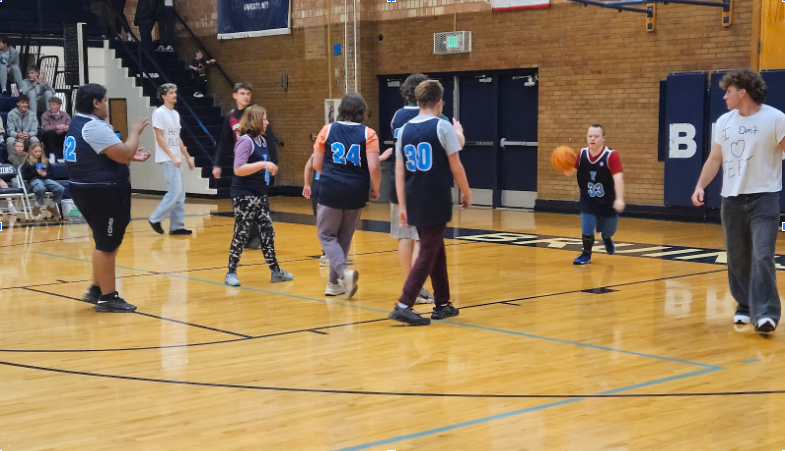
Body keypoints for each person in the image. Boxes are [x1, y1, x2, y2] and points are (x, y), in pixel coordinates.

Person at [691, 68, 785, 334]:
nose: (724, 97)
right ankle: (744, 304)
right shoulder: (724, 122)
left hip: (764, 199)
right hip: (731, 200)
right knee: (738, 257)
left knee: (763, 254)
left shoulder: (776, 119)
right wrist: (700, 186)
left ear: (742, 92)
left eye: (728, 91)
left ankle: (766, 313)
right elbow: (714, 158)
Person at [388, 79, 470, 326]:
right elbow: (455, 165)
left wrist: (402, 205)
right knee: (426, 251)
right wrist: (466, 192)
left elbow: (399, 171)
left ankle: (443, 303)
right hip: (435, 196)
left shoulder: (404, 129)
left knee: (435, 248)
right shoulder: (442, 127)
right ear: (439, 103)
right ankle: (404, 304)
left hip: (413, 196)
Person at [65, 83, 151, 312]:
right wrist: (134, 132)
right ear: (96, 103)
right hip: (103, 192)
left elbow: (110, 153)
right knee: (107, 245)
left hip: (86, 189)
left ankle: (96, 289)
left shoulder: (78, 122)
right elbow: (122, 154)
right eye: (105, 101)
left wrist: (130, 154)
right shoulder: (94, 126)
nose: (106, 105)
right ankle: (108, 297)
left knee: (102, 241)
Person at [312, 92, 381, 298]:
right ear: (363, 111)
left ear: (341, 110)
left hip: (332, 188)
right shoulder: (369, 133)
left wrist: (333, 178)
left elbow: (316, 164)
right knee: (344, 238)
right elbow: (374, 167)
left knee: (326, 235)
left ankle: (343, 274)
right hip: (357, 190)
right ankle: (333, 284)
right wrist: (375, 188)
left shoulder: (327, 129)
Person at [224, 106, 293, 286]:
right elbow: (238, 169)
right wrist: (263, 164)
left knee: (267, 232)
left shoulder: (262, 140)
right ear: (255, 120)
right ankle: (231, 272)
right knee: (242, 232)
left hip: (260, 194)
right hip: (244, 195)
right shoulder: (245, 141)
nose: (267, 122)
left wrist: (268, 169)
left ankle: (275, 271)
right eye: (264, 119)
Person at [212, 82, 268, 250]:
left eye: (248, 94)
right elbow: (224, 142)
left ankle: (258, 236)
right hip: (241, 162)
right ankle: (248, 236)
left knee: (259, 201)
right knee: (242, 201)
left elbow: (268, 138)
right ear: (235, 95)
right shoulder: (231, 117)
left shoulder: (255, 113)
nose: (246, 96)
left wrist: (271, 160)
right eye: (242, 93)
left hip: (257, 159)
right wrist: (217, 164)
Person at [561, 125, 625, 265]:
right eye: (590, 136)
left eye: (596, 136)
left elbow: (618, 178)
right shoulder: (582, 154)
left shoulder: (611, 156)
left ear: (603, 138)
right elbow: (571, 171)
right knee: (587, 226)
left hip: (608, 202)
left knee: (609, 230)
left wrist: (619, 199)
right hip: (588, 200)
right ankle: (586, 254)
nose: (592, 139)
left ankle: (606, 238)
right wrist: (563, 165)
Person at [149, 83, 194, 236]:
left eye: (175, 92)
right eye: (171, 93)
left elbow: (177, 138)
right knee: (175, 191)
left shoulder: (175, 114)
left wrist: (187, 157)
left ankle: (176, 227)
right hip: (167, 158)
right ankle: (155, 218)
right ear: (163, 96)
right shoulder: (159, 113)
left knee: (180, 194)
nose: (175, 95)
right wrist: (172, 156)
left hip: (176, 158)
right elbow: (159, 137)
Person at [21, 142, 64, 220]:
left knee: (60, 188)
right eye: (36, 152)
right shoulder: (28, 162)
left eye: (40, 151)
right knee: (41, 188)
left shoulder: (45, 161)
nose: (38, 153)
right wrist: (36, 173)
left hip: (46, 179)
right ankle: (37, 205)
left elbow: (52, 174)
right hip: (34, 180)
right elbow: (25, 176)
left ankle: (51, 206)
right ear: (31, 152)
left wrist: (45, 174)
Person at [134, 0, 162, 77]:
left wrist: (141, 17)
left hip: (146, 21)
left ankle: (149, 70)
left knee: (146, 45)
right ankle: (150, 70)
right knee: (147, 44)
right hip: (144, 20)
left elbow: (151, 7)